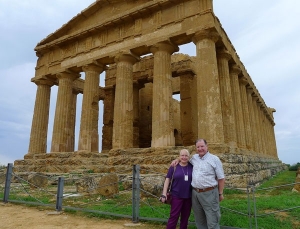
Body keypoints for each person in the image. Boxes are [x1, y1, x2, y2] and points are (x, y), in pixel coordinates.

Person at [172, 139, 225, 229]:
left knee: (212, 220)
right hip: (195, 193)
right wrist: (177, 159)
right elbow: (185, 159)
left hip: (209, 193)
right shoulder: (194, 158)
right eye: (198, 147)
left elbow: (221, 178)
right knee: (199, 221)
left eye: (202, 146)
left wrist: (220, 193)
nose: (200, 149)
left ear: (207, 146)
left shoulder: (214, 159)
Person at [160, 149, 193, 229]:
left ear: (189, 157)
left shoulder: (192, 166)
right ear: (179, 156)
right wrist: (164, 193)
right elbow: (167, 179)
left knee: (185, 218)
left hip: (188, 196)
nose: (184, 157)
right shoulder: (174, 166)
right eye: (182, 155)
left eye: (186, 155)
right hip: (176, 196)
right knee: (173, 217)